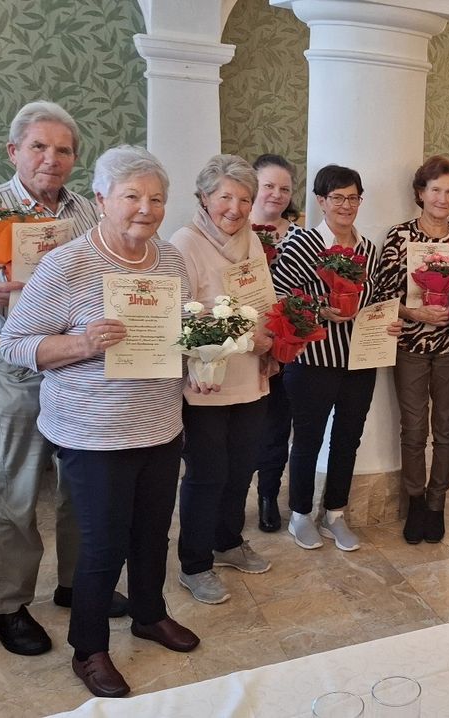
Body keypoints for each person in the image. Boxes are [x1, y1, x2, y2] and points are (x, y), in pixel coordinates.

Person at [0, 145, 199, 698]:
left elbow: (173, 336)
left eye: (156, 198)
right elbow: (13, 345)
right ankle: (88, 649)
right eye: (132, 196)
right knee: (103, 544)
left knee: (153, 533)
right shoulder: (68, 263)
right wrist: (84, 342)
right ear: (102, 199)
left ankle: (148, 613)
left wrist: (198, 362)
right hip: (94, 432)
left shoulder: (169, 261)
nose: (146, 208)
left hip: (160, 422)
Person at [0, 101, 117, 657]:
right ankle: (7, 607)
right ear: (14, 151)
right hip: (14, 366)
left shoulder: (88, 211)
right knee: (17, 488)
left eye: (63, 150)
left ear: (75, 158)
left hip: (80, 365)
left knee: (80, 485)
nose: (51, 159)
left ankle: (75, 585)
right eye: (39, 146)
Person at [269, 164, 397, 553]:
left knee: (348, 438)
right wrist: (322, 308)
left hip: (358, 361)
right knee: (307, 439)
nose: (346, 205)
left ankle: (335, 513)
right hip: (312, 360)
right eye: (337, 197)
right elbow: (277, 297)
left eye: (353, 197)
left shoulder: (369, 250)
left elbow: (377, 301)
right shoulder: (302, 244)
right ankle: (300, 514)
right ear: (321, 201)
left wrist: (387, 324)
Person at [169, 155, 276, 605]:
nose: (235, 208)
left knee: (242, 466)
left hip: (250, 375)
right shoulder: (184, 243)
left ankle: (228, 541)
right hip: (207, 382)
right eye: (225, 197)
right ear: (204, 197)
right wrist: (242, 331)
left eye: (244, 199)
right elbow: (179, 318)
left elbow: (264, 298)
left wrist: (273, 333)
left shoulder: (252, 241)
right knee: (207, 473)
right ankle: (194, 563)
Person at [374, 156, 449, 545]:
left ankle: (436, 502)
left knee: (447, 430)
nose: (443, 198)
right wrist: (414, 311)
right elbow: (382, 295)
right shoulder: (400, 236)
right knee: (413, 430)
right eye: (436, 190)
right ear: (420, 192)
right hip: (411, 347)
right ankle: (415, 501)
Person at [249, 153, 299, 533]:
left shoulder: (299, 235)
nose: (276, 194)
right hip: (240, 345)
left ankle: (268, 493)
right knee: (238, 429)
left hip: (286, 348)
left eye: (284, 188)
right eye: (268, 185)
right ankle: (230, 497)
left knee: (277, 427)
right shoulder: (233, 230)